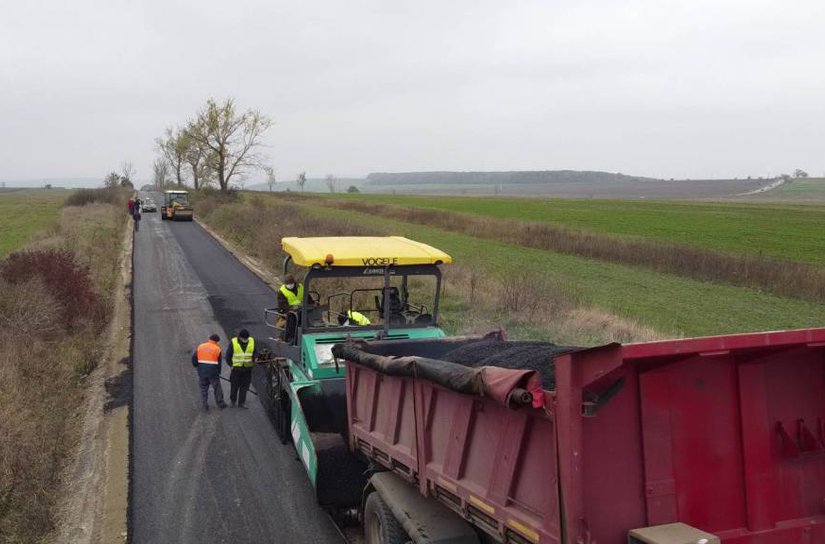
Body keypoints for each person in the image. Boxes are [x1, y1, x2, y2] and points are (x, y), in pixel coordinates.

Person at [191, 334, 227, 411]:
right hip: (213, 373)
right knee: (217, 388)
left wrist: (197, 366)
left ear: (209, 339)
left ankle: (205, 405)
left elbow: (194, 358)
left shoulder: (201, 346)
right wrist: (218, 372)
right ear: (217, 341)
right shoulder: (217, 349)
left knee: (204, 388)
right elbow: (219, 363)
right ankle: (220, 403)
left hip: (202, 372)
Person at [226, 329, 257, 408]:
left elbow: (254, 352)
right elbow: (228, 356)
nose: (245, 340)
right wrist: (231, 365)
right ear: (239, 337)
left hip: (247, 369)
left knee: (245, 386)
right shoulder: (233, 342)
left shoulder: (252, 341)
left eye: (246, 339)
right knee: (234, 386)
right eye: (244, 339)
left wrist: (255, 358)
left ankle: (242, 402)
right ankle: (233, 401)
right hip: (236, 369)